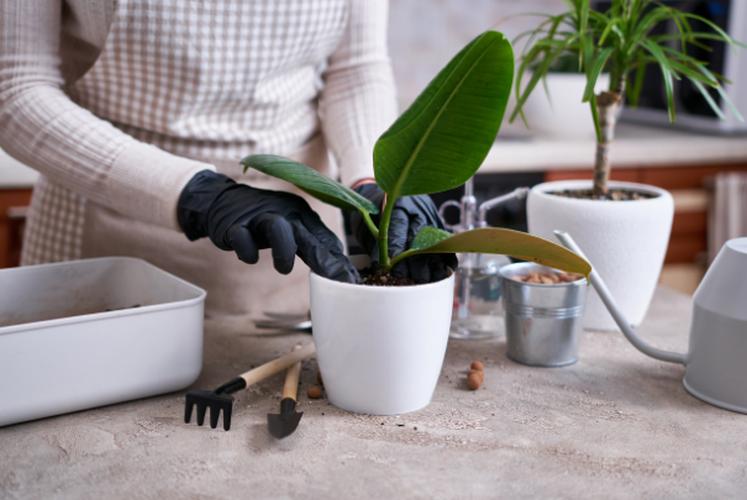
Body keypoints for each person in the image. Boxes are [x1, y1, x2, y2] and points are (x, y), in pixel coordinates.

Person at [0, 0, 454, 318]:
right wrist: (196, 193)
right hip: (106, 222)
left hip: (293, 249)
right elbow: (15, 89)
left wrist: (373, 179)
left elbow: (356, 68)